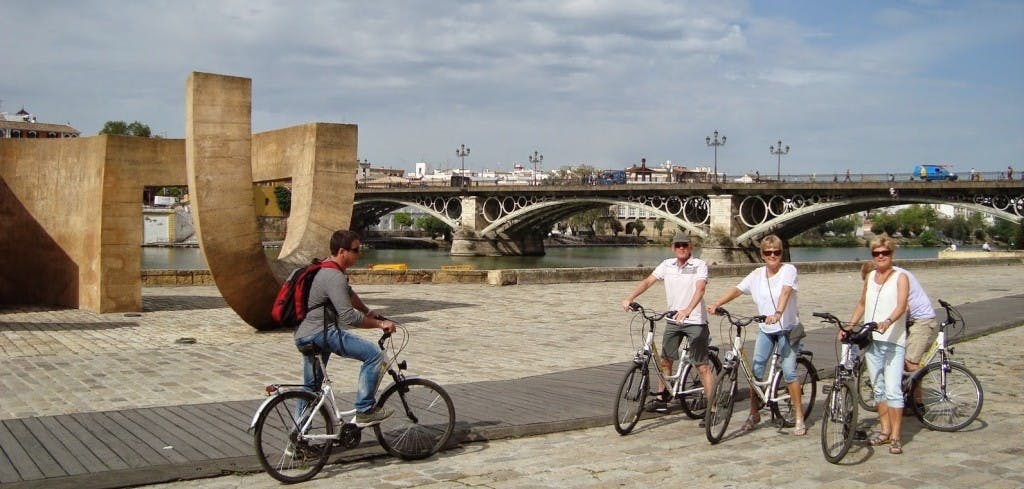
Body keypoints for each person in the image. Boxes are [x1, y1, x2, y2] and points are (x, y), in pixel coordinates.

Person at [706, 235, 807, 436]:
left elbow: (786, 292)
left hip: (787, 329)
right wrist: (717, 303)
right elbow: (737, 289)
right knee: (756, 370)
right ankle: (754, 413)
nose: (772, 256)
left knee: (788, 371)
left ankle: (799, 417)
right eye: (768, 252)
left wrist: (778, 313)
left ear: (781, 253)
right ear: (762, 255)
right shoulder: (757, 274)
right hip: (766, 329)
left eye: (776, 252)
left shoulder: (789, 270)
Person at [294, 230, 397, 427]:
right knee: (374, 355)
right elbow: (348, 316)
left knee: (310, 389)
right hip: (321, 334)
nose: (360, 254)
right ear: (342, 251)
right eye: (356, 250)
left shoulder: (324, 268)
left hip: (304, 334)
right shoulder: (334, 276)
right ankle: (365, 410)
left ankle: (297, 439)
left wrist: (368, 311)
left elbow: (348, 294)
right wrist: (380, 324)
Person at [621, 231, 712, 415]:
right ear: (672, 248)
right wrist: (630, 297)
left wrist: (687, 310)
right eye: (677, 245)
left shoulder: (699, 265)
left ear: (690, 247)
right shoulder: (667, 265)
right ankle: (663, 398)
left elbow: (700, 289)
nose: (681, 249)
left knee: (701, 366)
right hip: (673, 320)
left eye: (684, 245)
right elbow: (648, 281)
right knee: (665, 361)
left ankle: (713, 408)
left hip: (695, 321)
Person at [848, 236, 909, 455]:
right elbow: (863, 303)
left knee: (893, 389)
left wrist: (888, 321)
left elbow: (902, 306)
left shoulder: (901, 277)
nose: (881, 256)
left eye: (885, 253)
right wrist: (850, 325)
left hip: (893, 341)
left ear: (892, 254)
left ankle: (896, 436)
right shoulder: (871, 276)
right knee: (879, 388)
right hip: (872, 340)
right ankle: (884, 431)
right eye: (876, 253)